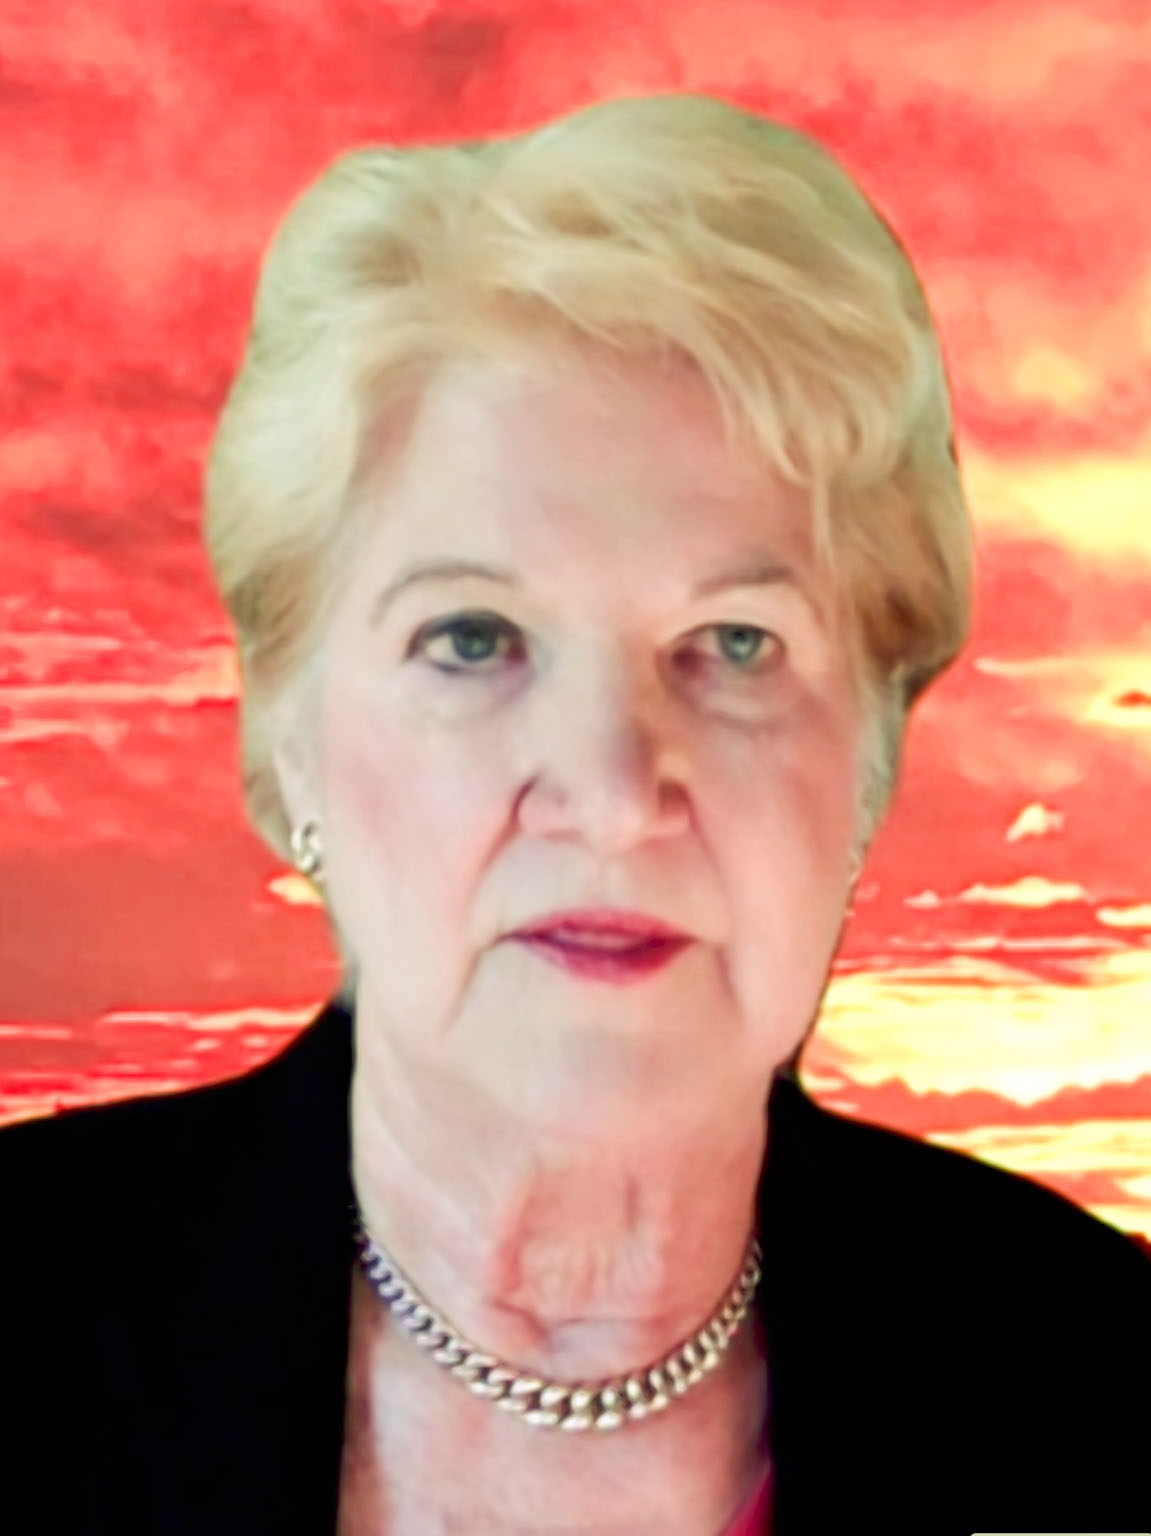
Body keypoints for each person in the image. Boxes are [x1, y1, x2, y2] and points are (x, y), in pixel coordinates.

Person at [1, 91, 1147, 1536]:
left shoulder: (1108, 1398)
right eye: (473, 638)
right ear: (289, 736)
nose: (610, 796)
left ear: (871, 752)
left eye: (734, 644)